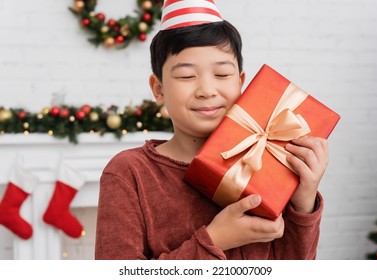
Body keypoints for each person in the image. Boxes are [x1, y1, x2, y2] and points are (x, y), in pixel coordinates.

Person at [95, 0, 328, 260]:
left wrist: (303, 202)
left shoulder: (266, 160)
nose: (207, 90)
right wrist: (215, 240)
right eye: (186, 76)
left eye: (221, 75)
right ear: (158, 89)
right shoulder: (129, 172)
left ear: (241, 83)